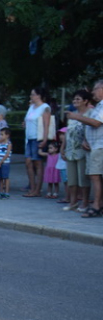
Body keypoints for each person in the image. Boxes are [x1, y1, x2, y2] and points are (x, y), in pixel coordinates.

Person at [66, 79, 103, 218]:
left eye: (95, 89)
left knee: (95, 175)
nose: (93, 92)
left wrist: (76, 116)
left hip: (100, 145)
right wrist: (86, 139)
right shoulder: (99, 106)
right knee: (95, 175)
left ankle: (96, 205)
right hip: (94, 145)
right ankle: (99, 204)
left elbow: (96, 123)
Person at [61, 89, 93, 213]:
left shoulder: (91, 114)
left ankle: (85, 202)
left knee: (83, 178)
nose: (75, 101)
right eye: (74, 99)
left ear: (86, 101)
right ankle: (73, 201)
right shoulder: (72, 115)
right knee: (71, 178)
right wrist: (62, 148)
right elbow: (67, 133)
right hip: (70, 149)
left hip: (83, 150)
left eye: (78, 99)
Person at [23, 87, 53, 198]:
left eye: (33, 94)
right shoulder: (31, 107)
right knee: (28, 163)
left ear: (39, 95)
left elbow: (46, 125)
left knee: (38, 163)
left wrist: (45, 139)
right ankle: (32, 186)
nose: (31, 97)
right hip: (29, 137)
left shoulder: (45, 108)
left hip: (37, 137)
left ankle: (37, 189)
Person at [0, 127, 13, 198]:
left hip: (5, 163)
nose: (0, 136)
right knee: (0, 177)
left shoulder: (9, 144)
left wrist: (1, 161)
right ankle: (1, 191)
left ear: (7, 135)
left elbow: (7, 154)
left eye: (2, 134)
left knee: (6, 177)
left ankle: (6, 192)